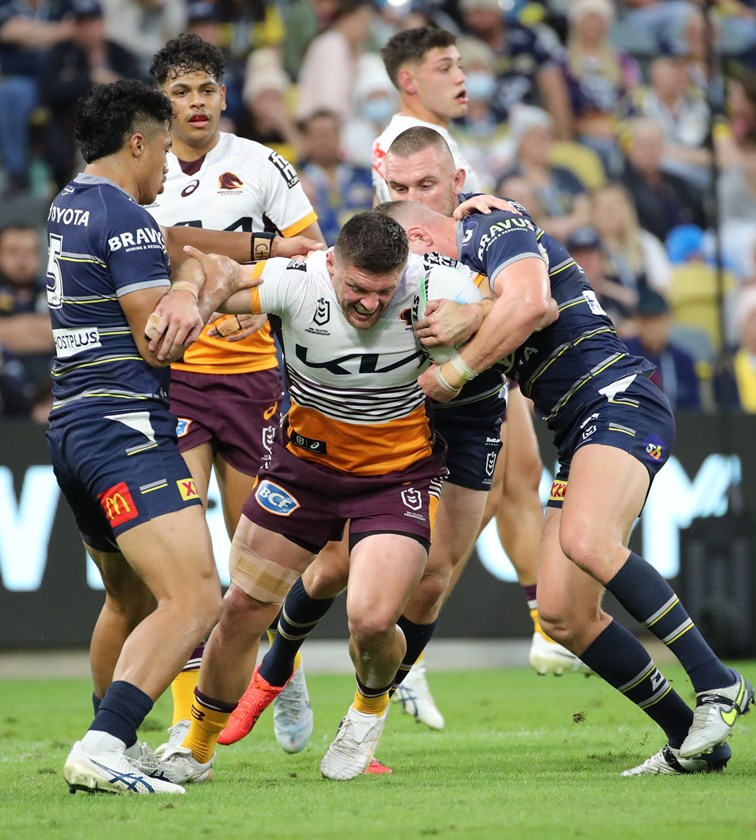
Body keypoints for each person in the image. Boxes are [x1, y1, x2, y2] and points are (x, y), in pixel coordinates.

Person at [378, 197, 753, 776]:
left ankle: (718, 682)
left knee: (587, 540)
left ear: (422, 240)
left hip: (617, 398)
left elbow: (536, 302)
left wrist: (456, 365)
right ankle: (690, 740)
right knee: (562, 614)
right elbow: (527, 303)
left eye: (403, 262)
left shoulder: (488, 226)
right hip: (575, 431)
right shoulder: (470, 273)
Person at [152, 212, 477, 782]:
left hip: (396, 476)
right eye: (358, 288)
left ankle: (366, 715)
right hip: (301, 471)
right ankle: (196, 749)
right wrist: (190, 293)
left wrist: (475, 313)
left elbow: (521, 300)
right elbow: (211, 267)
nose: (371, 304)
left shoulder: (435, 282)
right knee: (241, 610)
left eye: (384, 291)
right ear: (333, 264)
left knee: (372, 622)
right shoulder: (297, 280)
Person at [48, 79, 245, 795]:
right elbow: (158, 341)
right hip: (125, 427)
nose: (168, 163)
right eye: (165, 147)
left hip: (73, 426)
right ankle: (104, 745)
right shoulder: (125, 217)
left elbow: (169, 260)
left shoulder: (70, 202)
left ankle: (112, 741)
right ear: (138, 142)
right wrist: (209, 289)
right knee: (196, 599)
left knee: (128, 602)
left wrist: (188, 272)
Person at [147, 32, 326, 757]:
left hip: (254, 379)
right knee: (182, 556)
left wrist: (264, 295)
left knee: (258, 560)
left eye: (205, 90)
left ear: (224, 96)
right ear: (162, 102)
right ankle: (185, 719)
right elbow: (150, 256)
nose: (195, 103)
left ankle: (283, 674)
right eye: (180, 92)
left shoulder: (261, 165)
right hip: (177, 376)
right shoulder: (143, 169)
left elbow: (315, 254)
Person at [624, 287, 703, 411]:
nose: (652, 327)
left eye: (657, 320)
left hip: (677, 420)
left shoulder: (683, 360)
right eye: (646, 321)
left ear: (668, 320)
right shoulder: (625, 355)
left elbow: (694, 407)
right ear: (637, 323)